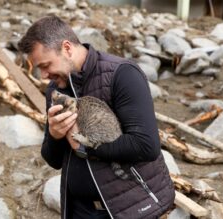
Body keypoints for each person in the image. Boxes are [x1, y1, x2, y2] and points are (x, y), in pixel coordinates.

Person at [18, 15, 175, 219]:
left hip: (131, 209)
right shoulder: (55, 90)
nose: (44, 75)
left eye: (45, 65)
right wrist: (55, 136)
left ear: (67, 48)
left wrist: (85, 148)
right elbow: (54, 160)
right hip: (79, 210)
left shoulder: (122, 74)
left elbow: (146, 145)